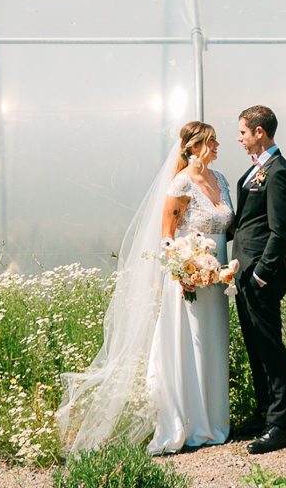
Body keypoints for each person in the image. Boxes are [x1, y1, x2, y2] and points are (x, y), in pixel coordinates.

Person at [56, 121, 234, 454]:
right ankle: (190, 423)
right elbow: (167, 236)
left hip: (217, 279)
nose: (218, 145)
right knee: (192, 345)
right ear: (194, 147)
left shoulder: (221, 180)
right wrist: (186, 269)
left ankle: (215, 421)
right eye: (211, 141)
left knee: (213, 344)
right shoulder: (181, 183)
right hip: (190, 281)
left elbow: (228, 226)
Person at [231, 104, 286, 453]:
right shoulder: (254, 171)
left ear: (260, 132)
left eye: (243, 132)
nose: (239, 138)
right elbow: (245, 223)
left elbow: (279, 231)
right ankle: (263, 413)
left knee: (270, 348)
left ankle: (280, 425)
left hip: (261, 275)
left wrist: (261, 273)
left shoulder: (278, 173)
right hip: (243, 274)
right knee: (255, 347)